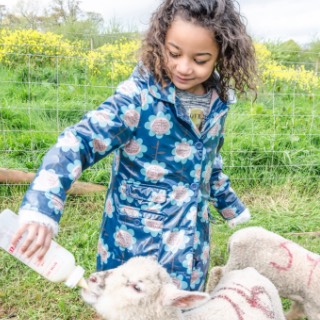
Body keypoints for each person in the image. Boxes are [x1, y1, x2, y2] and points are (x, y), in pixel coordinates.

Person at [12, 0, 257, 291]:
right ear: (160, 41)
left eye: (200, 60)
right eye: (174, 53)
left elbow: (208, 162)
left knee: (181, 307)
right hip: (135, 245)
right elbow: (76, 143)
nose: (183, 67)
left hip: (191, 246)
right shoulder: (136, 99)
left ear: (221, 55)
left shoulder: (218, 103)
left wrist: (230, 206)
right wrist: (42, 208)